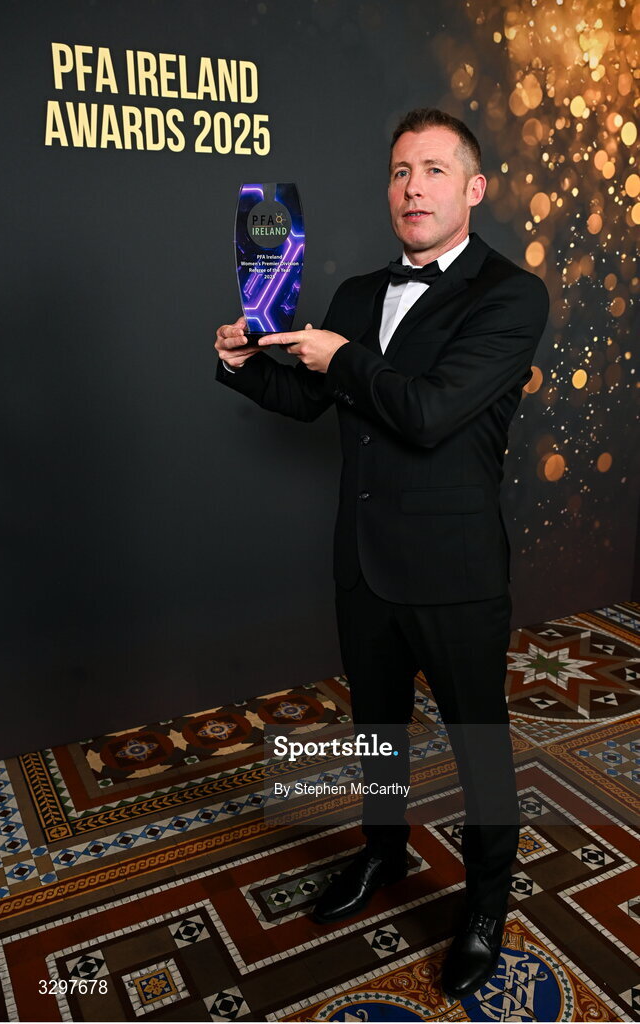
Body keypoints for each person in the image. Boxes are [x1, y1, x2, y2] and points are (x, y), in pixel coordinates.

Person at [213, 107, 549, 1001]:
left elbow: (431, 411)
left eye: (434, 171)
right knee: (376, 730)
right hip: (361, 561)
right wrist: (246, 363)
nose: (413, 187)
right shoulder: (360, 291)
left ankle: (484, 905)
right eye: (401, 171)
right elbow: (312, 397)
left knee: (479, 745)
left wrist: (340, 355)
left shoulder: (512, 296)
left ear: (472, 190)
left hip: (454, 570)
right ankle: (384, 851)